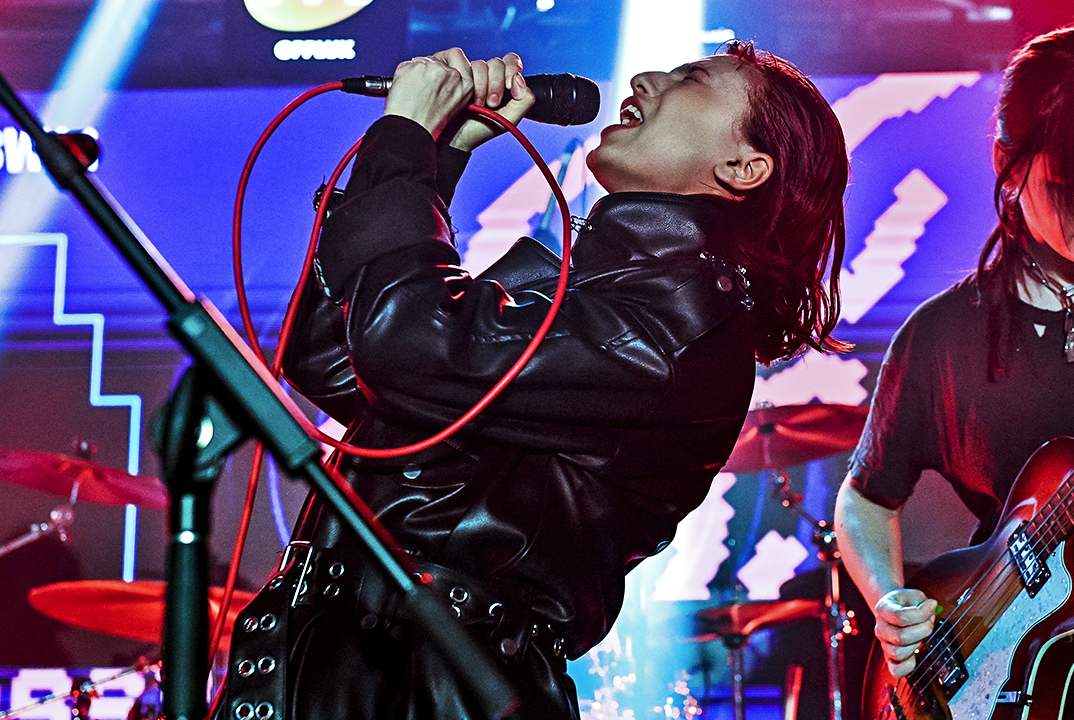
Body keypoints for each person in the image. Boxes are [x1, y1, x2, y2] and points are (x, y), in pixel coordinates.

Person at [222, 42, 850, 719]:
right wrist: (441, 157)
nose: (645, 78)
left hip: (434, 684)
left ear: (743, 167)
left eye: (692, 79)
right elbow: (332, 359)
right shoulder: (594, 291)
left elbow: (409, 346)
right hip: (352, 664)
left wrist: (404, 144)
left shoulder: (678, 324)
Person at [835, 25, 1074, 720]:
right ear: (1007, 163)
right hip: (1011, 676)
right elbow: (864, 498)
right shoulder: (939, 338)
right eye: (1072, 188)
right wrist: (890, 601)